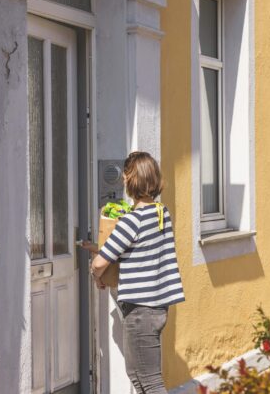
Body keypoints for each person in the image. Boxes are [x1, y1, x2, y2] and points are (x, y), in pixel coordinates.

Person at [82, 151, 185, 394]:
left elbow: (99, 264)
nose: (124, 181)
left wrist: (96, 273)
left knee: (149, 381)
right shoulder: (161, 214)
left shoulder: (131, 221)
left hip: (140, 310)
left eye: (126, 176)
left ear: (131, 180)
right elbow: (140, 248)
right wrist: (98, 248)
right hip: (157, 307)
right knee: (137, 376)